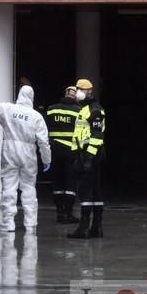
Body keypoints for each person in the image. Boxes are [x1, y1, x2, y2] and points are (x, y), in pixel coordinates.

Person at [0, 86, 51, 232]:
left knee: (9, 187)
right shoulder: (36, 116)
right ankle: (30, 223)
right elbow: (43, 141)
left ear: (19, 95)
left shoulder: (8, 109)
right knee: (29, 187)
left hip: (10, 150)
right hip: (29, 153)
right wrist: (46, 159)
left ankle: (8, 223)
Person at [68, 78, 106, 239]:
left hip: (89, 155)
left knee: (86, 191)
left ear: (88, 91)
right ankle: (96, 228)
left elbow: (97, 137)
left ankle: (84, 228)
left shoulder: (94, 110)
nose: (77, 93)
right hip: (87, 154)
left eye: (80, 90)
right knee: (95, 191)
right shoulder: (85, 109)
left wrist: (89, 159)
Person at [46, 85, 81, 224]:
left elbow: (45, 129)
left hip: (55, 150)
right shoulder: (79, 111)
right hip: (71, 152)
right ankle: (68, 213)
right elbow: (82, 132)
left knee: (58, 181)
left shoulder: (51, 109)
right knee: (70, 182)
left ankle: (59, 213)